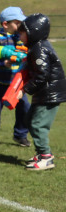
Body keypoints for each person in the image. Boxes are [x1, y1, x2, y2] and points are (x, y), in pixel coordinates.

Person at [17, 14, 65, 170]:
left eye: (22, 32)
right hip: (43, 93)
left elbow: (42, 75)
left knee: (38, 125)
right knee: (30, 120)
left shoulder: (40, 49)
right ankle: (41, 153)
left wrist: (24, 90)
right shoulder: (36, 47)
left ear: (33, 32)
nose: (20, 35)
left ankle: (46, 157)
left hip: (49, 95)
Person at [0, 6, 30, 147]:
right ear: (5, 24)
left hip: (16, 83)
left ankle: (20, 135)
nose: (20, 25)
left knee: (24, 106)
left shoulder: (21, 37)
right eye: (17, 23)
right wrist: (2, 63)